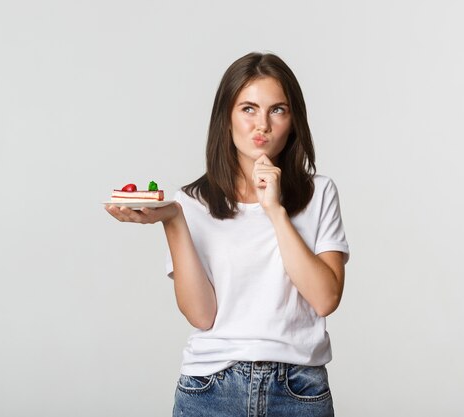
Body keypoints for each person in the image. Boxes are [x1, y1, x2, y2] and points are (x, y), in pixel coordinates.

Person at [105, 52, 349, 417]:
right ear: (227, 118)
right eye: (248, 109)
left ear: (293, 120)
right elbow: (202, 316)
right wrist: (173, 219)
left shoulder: (320, 192)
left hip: (298, 391)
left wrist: (275, 211)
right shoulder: (191, 202)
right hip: (210, 389)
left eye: (277, 110)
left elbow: (326, 298)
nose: (262, 125)